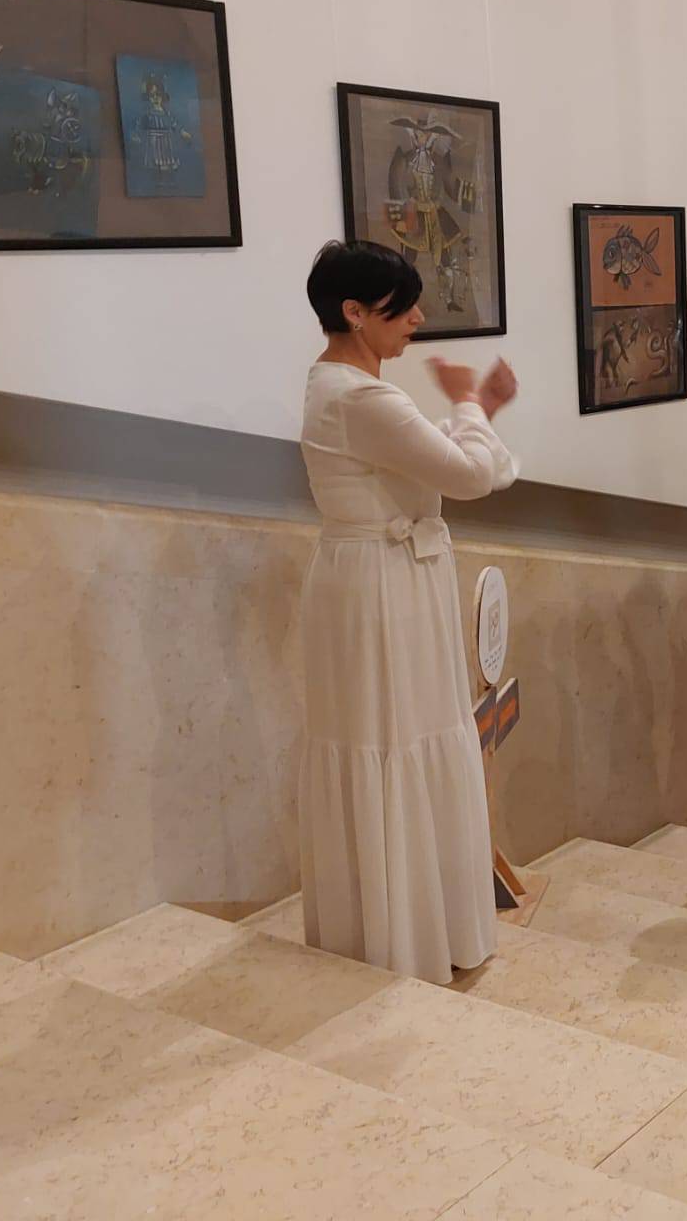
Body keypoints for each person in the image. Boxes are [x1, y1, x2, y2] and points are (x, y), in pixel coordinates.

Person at [297, 240, 520, 984]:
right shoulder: (363, 397)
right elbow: (472, 475)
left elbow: (443, 466)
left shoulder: (333, 383)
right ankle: (410, 939)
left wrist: (473, 412)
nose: (419, 319)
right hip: (385, 583)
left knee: (388, 733)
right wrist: (473, 404)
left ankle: (391, 930)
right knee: (397, 733)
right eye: (402, 308)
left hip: (378, 575)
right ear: (354, 313)